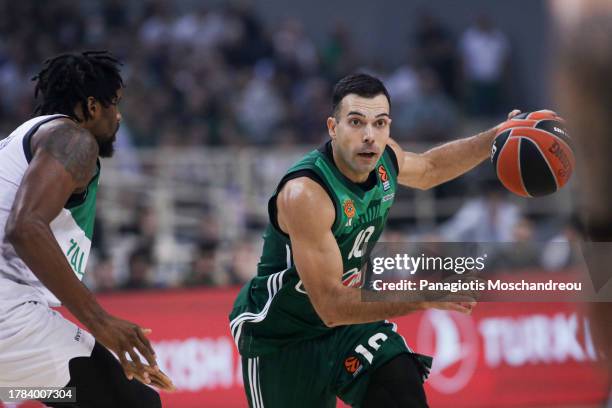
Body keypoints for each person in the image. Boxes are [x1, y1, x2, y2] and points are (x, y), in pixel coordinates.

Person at [229, 73, 518, 407]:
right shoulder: (306, 194)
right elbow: (331, 306)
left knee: (401, 386)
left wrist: (495, 138)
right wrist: (423, 294)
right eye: (356, 122)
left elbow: (429, 168)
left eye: (380, 123)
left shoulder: (385, 161)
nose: (370, 136)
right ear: (332, 128)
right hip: (286, 335)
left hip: (350, 326)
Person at [0, 51, 173, 407]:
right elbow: (26, 226)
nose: (119, 115)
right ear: (92, 107)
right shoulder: (73, 140)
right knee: (135, 404)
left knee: (69, 396)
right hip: (8, 316)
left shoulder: (20, 140)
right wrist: (101, 322)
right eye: (115, 104)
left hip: (14, 324)